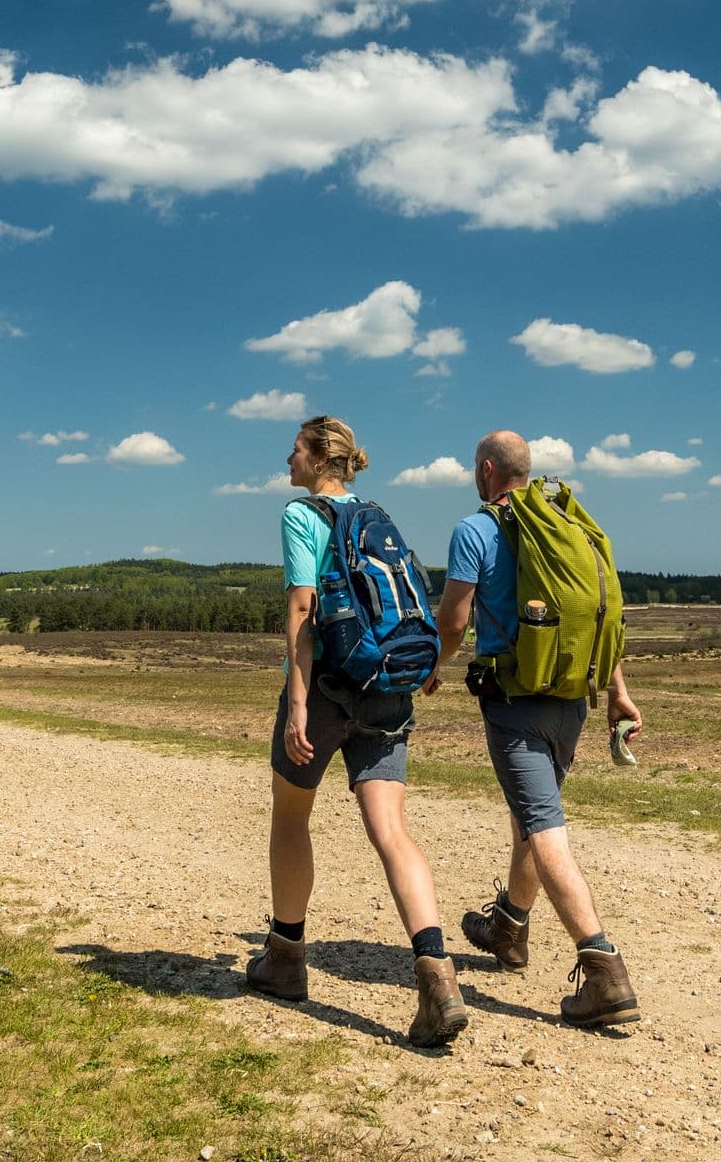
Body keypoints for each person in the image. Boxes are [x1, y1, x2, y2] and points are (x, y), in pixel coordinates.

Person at [243, 413, 468, 1046]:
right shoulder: (376, 515)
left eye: (294, 451)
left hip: (325, 690)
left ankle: (286, 959)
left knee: (291, 817)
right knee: (393, 831)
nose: (286, 461)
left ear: (318, 461)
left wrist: (295, 702)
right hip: (386, 690)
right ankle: (437, 978)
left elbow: (301, 609)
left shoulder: (301, 516)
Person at [435, 429, 644, 1028]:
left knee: (543, 826)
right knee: (533, 811)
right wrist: (617, 691)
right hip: (573, 697)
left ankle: (602, 967)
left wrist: (431, 669)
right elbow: (595, 622)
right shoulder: (565, 526)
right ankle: (509, 928)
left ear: (486, 469)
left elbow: (453, 619)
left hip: (515, 699)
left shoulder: (475, 530)